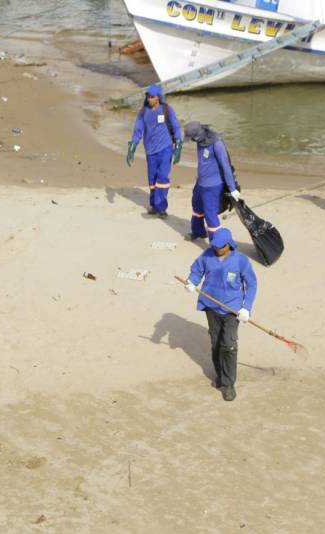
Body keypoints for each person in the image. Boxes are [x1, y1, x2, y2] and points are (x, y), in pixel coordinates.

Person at [184, 228, 257, 401]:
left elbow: (252, 284)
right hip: (211, 307)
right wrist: (192, 282)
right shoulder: (207, 255)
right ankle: (220, 375)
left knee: (229, 345)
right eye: (215, 246)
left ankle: (229, 383)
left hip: (232, 309)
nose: (218, 250)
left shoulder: (241, 261)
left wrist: (246, 307)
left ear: (229, 244)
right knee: (216, 343)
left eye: (221, 247)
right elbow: (196, 270)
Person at [126, 84, 183, 218]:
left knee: (162, 177)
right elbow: (138, 130)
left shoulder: (167, 109)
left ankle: (161, 207)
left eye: (152, 97)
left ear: (158, 97)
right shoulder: (143, 111)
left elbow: (176, 127)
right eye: (147, 96)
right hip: (150, 150)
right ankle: (154, 205)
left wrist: (178, 147)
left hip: (166, 148)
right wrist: (132, 147)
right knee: (152, 179)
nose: (149, 99)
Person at [183, 121, 241, 241]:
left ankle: (216, 243)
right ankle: (198, 232)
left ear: (197, 136)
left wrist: (232, 188)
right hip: (200, 183)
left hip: (212, 186)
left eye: (192, 138)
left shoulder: (217, 144)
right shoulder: (201, 142)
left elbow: (225, 167)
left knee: (210, 214)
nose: (192, 141)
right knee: (197, 209)